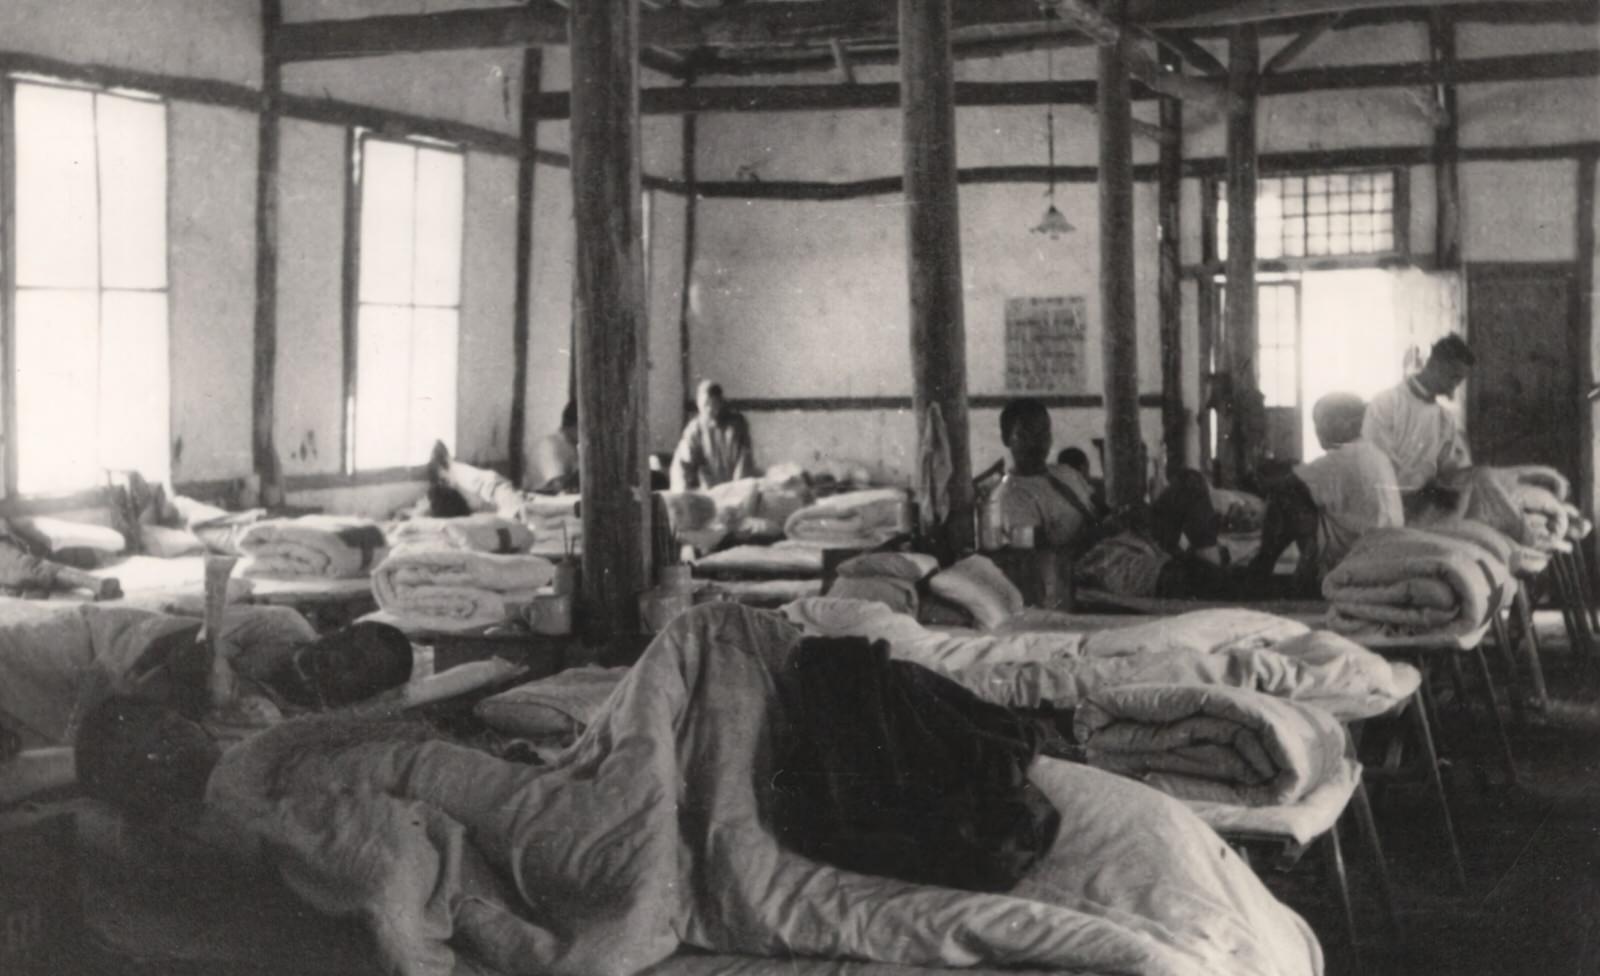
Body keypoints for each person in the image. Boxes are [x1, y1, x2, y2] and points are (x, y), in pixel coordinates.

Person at [0, 601, 413, 753]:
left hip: (112, 697)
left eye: (355, 668)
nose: (338, 657)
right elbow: (185, 647)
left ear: (361, 694)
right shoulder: (282, 627)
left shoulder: (298, 724)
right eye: (347, 641)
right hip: (107, 642)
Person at [1247, 394, 1404, 592]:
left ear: (1352, 423)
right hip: (1384, 553)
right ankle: (1287, 569)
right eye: (1317, 422)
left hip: (1356, 555)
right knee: (1300, 495)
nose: (1319, 429)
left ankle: (1262, 569)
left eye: (1325, 420)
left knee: (1285, 498)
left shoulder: (1347, 455)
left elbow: (1280, 487)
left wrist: (1254, 469)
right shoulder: (1373, 453)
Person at [1361, 334, 1474, 514]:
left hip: (1427, 511)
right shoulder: (1386, 404)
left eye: (1459, 381)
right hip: (1385, 508)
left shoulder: (1445, 419)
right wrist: (1422, 491)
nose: (1454, 388)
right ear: (1435, 365)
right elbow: (1377, 468)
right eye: (1454, 378)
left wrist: (1453, 482)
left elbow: (1452, 471)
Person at [988, 400, 1098, 549]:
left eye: (1043, 432)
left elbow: (1098, 507)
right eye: (1026, 435)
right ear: (1006, 439)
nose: (1037, 443)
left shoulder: (1066, 472)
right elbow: (1043, 558)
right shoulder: (1013, 496)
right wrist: (1100, 534)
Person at [670, 380, 755, 491]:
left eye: (713, 404)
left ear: (720, 403)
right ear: (698, 404)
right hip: (707, 493)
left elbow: (744, 460)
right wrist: (684, 491)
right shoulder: (694, 429)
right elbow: (683, 464)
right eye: (705, 404)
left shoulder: (736, 424)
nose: (709, 409)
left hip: (734, 489)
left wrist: (737, 490)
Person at [529, 401, 580, 494]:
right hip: (542, 504)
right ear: (575, 425)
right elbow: (558, 486)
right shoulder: (548, 445)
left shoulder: (572, 445)